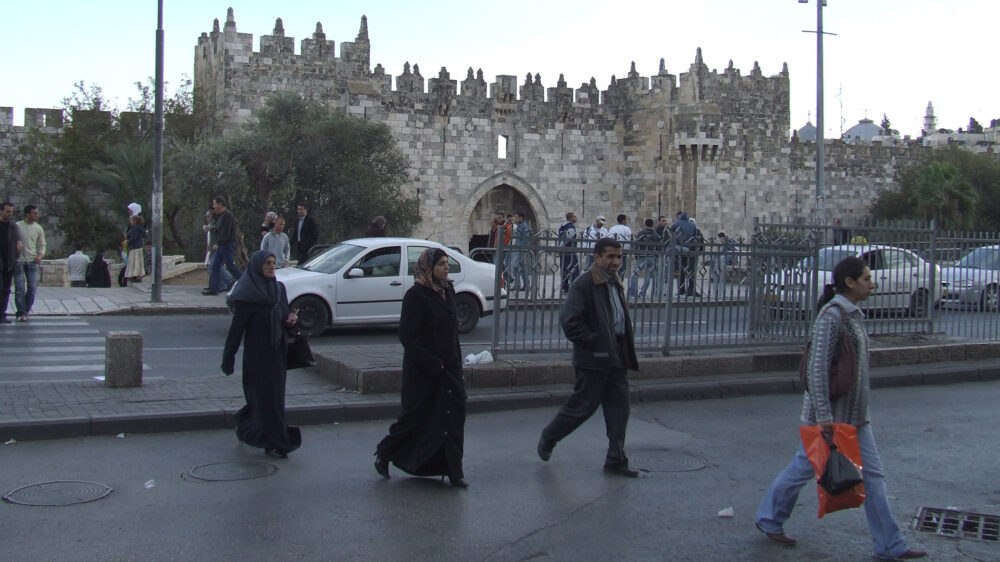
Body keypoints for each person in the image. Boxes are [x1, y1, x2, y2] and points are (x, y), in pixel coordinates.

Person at [754, 256, 927, 560]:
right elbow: (818, 371)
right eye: (867, 279)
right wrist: (824, 419)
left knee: (873, 477)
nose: (872, 284)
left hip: (857, 417)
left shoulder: (853, 315)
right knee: (802, 469)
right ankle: (769, 517)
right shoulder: (832, 317)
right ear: (849, 282)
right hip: (829, 418)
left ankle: (890, 545)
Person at [537, 237, 640, 477]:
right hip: (593, 358)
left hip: (616, 356)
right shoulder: (584, 284)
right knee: (582, 407)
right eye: (610, 257)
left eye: (619, 257)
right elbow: (570, 322)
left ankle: (616, 458)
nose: (615, 261)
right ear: (597, 257)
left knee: (619, 408)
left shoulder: (614, 283)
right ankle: (549, 437)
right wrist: (594, 341)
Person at [374, 248, 468, 488]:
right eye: (441, 264)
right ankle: (385, 452)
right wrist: (432, 362)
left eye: (448, 263)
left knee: (453, 417)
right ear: (428, 268)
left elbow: (452, 333)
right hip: (424, 370)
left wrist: (456, 362)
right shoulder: (416, 295)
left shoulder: (448, 291)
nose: (446, 268)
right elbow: (407, 335)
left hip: (450, 368)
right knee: (414, 418)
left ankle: (455, 470)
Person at [222, 250, 302, 459]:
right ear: (258, 266)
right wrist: (228, 358)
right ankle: (278, 441)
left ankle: (249, 426)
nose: (270, 266)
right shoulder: (248, 296)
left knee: (274, 399)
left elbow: (285, 318)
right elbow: (236, 330)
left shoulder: (279, 289)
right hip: (257, 356)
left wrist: (291, 322)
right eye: (266, 263)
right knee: (264, 398)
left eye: (273, 263)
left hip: (277, 353)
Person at [204, 196, 242, 296]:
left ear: (220, 204)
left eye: (215, 204)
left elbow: (226, 232)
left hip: (227, 244)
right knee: (214, 265)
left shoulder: (227, 216)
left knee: (230, 265)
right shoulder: (220, 215)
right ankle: (213, 289)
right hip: (222, 245)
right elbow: (218, 228)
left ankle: (244, 281)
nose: (213, 206)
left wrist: (218, 243)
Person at [14, 204, 46, 321]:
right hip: (19, 261)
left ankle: (27, 309)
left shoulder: (38, 228)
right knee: (20, 288)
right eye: (34, 213)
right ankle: (21, 312)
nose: (36, 215)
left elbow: (42, 244)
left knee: (32, 288)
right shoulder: (17, 226)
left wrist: (40, 255)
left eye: (37, 213)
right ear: (27, 214)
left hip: (32, 261)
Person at [0, 202, 22, 324]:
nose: (10, 214)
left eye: (11, 212)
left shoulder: (13, 226)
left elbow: (17, 243)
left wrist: (17, 253)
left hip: (9, 264)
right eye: (8, 211)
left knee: (6, 290)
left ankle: (2, 314)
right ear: (1, 211)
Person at [671, 211, 701, 297]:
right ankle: (691, 289)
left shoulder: (676, 224)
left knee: (681, 271)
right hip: (691, 251)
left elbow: (671, 234)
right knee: (692, 272)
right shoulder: (693, 225)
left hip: (680, 251)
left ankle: (681, 289)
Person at [629, 218, 659, 298]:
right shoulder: (655, 234)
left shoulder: (641, 233)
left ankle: (633, 293)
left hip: (642, 256)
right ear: (652, 225)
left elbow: (636, 245)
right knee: (648, 276)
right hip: (652, 257)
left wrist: (636, 256)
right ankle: (643, 293)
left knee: (634, 275)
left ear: (645, 224)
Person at [558, 212, 579, 294]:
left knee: (564, 269)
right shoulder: (570, 226)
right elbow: (568, 238)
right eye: (574, 216)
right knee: (574, 269)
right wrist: (561, 248)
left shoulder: (562, 226)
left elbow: (560, 238)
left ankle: (565, 287)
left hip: (564, 251)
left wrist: (560, 249)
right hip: (570, 251)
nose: (576, 218)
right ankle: (574, 288)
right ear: (570, 218)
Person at [509, 212, 531, 291]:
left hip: (522, 249)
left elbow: (525, 238)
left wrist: (522, 248)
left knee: (518, 266)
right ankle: (522, 285)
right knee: (520, 267)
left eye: (517, 217)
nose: (515, 219)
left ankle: (523, 285)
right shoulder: (519, 226)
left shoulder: (524, 226)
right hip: (518, 248)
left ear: (521, 218)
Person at [607, 214, 632, 278]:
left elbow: (609, 238)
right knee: (622, 268)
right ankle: (620, 282)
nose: (627, 221)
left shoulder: (612, 228)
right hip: (622, 252)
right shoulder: (627, 229)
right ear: (623, 220)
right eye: (626, 220)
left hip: (612, 251)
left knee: (612, 267)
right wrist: (627, 251)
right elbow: (628, 241)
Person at [124, 215, 145, 283]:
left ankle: (134, 275)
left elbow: (133, 238)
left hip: (135, 247)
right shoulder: (140, 227)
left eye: (131, 220)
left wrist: (128, 241)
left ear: (135, 221)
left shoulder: (135, 228)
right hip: (139, 246)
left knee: (134, 261)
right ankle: (138, 275)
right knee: (139, 261)